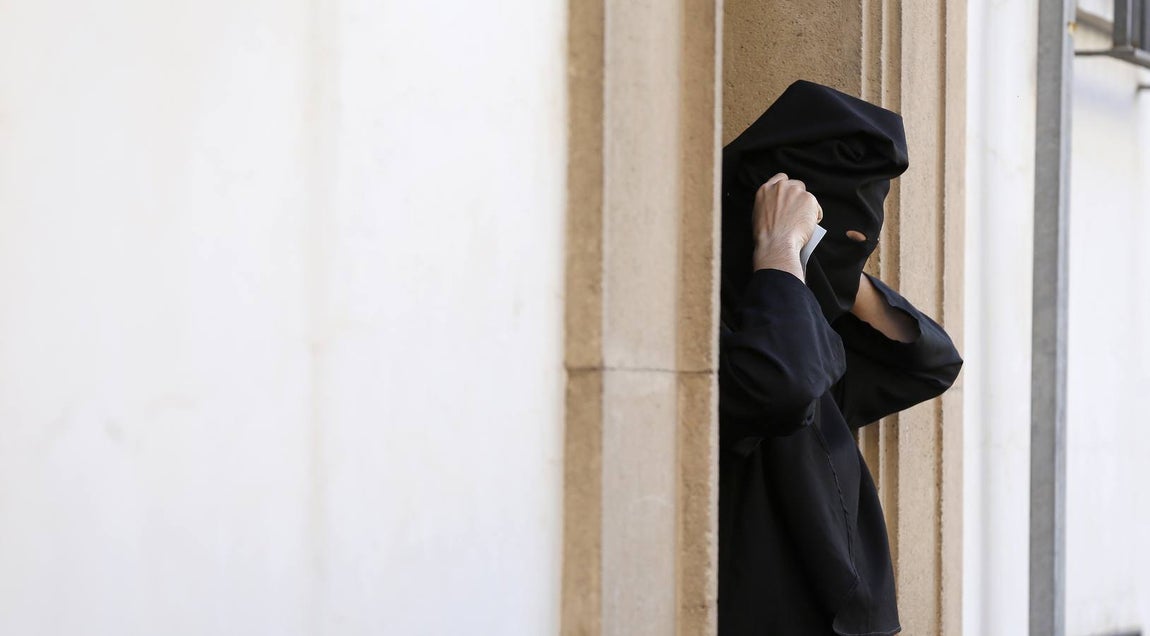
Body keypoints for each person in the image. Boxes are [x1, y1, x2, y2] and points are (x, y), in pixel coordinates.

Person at [717, 81, 963, 635]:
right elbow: (778, 384)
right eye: (828, 235)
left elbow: (932, 363)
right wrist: (781, 252)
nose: (851, 248)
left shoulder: (811, 330)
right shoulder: (724, 326)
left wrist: (832, 272)